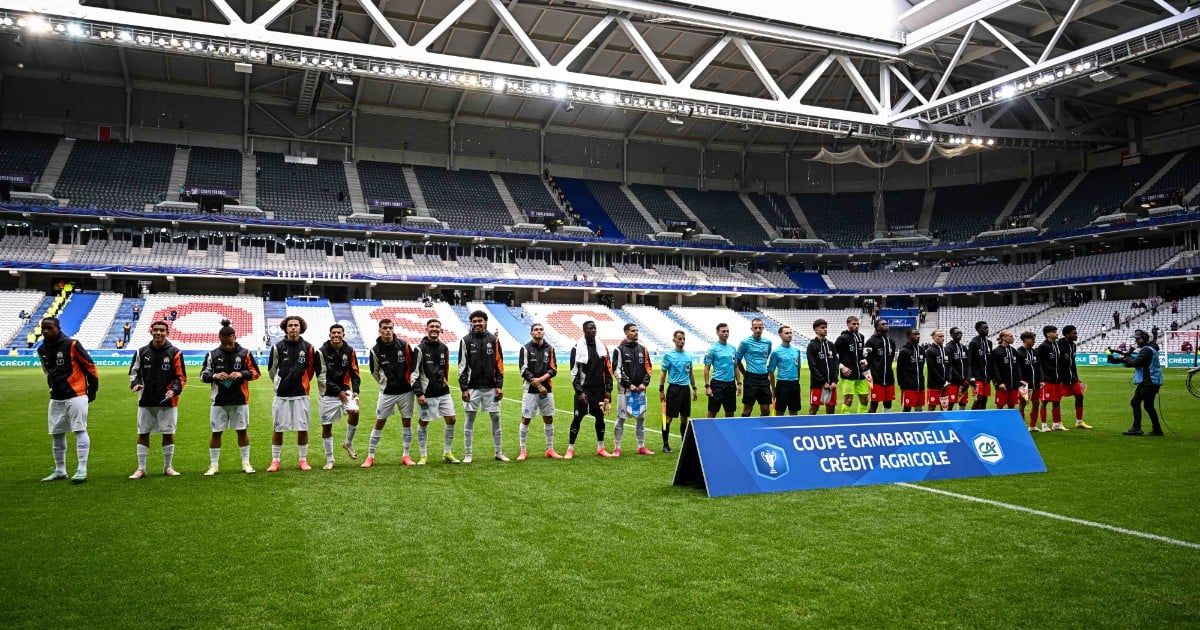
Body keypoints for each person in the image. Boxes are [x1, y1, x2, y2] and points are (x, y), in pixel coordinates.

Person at [36, 317, 98, 483]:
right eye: (43, 328)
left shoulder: (72, 345)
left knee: (79, 430)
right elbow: (46, 371)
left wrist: (92, 390)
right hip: (56, 396)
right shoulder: (42, 349)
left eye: (49, 328)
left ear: (58, 328)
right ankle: (60, 470)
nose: (46, 331)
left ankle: (81, 469)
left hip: (76, 394)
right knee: (56, 433)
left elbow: (90, 367)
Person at [200, 319, 260, 476]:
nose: (227, 345)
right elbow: (202, 375)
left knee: (242, 431)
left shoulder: (245, 353)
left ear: (234, 337)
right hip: (218, 401)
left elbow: (255, 373)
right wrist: (214, 375)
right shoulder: (212, 354)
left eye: (229, 342)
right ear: (219, 338)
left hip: (239, 399)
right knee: (216, 432)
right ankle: (213, 466)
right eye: (224, 342)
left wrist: (241, 374)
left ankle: (246, 463)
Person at [128, 320, 187, 479]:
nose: (159, 333)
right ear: (151, 331)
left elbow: (180, 377)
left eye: (162, 330)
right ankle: (141, 468)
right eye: (156, 330)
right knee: (143, 433)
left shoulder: (175, 352)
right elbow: (134, 374)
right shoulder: (141, 352)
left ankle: (168, 467)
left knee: (168, 433)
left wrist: (174, 390)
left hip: (167, 401)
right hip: (146, 400)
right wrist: (135, 384)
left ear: (167, 333)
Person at [361, 319, 418, 468]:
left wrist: (409, 381)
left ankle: (406, 455)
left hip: (406, 391)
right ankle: (370, 456)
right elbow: (374, 371)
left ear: (393, 329)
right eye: (385, 328)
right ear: (379, 330)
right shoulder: (375, 350)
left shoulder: (404, 345)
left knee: (406, 421)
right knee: (380, 421)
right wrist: (384, 383)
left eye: (390, 328)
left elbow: (412, 364)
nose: (387, 330)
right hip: (387, 393)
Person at [266, 315, 317, 472]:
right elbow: (272, 369)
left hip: (301, 394)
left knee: (302, 427)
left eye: (296, 325)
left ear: (301, 328)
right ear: (285, 328)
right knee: (278, 427)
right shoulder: (277, 347)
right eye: (290, 325)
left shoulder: (308, 347)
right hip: (282, 395)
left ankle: (303, 459)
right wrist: (279, 383)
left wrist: (304, 383)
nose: (293, 328)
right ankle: (275, 461)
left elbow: (310, 369)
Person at [459, 310, 506, 463]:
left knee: (496, 417)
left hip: (491, 387)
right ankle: (468, 454)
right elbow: (462, 366)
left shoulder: (494, 339)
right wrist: (464, 388)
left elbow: (499, 364)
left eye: (480, 321)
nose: (477, 323)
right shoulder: (465, 340)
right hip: (472, 387)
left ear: (485, 322)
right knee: (470, 418)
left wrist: (499, 385)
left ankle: (498, 452)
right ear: (471, 323)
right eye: (475, 321)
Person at [316, 323, 362, 469]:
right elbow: (321, 377)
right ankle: (330, 459)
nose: (336, 335)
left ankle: (348, 443)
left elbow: (354, 371)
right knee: (327, 427)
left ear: (343, 335)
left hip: (345, 389)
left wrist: (356, 391)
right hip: (327, 393)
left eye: (339, 333)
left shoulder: (349, 350)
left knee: (354, 412)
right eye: (334, 333)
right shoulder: (321, 351)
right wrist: (337, 392)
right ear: (330, 335)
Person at [414, 319, 459, 464]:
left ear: (440, 329)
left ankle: (447, 452)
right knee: (424, 422)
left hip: (443, 391)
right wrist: (419, 393)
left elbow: (445, 368)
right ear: (426, 329)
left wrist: (445, 381)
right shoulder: (419, 349)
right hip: (427, 393)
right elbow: (414, 374)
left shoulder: (444, 348)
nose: (434, 329)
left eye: (437, 327)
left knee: (451, 418)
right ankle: (423, 455)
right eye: (432, 326)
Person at [568, 321, 613, 458]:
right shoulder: (577, 348)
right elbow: (574, 373)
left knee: (600, 418)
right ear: (584, 330)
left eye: (594, 328)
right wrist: (579, 391)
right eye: (590, 328)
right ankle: (570, 448)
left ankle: (601, 448)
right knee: (577, 418)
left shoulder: (602, 348)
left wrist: (608, 390)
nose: (593, 330)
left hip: (599, 390)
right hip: (584, 390)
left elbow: (608, 370)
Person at [518, 323, 562, 460]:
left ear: (544, 332)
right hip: (530, 390)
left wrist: (541, 380)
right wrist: (537, 385)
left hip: (547, 390)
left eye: (541, 329)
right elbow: (523, 369)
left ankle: (550, 449)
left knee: (548, 418)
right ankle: (523, 450)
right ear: (531, 333)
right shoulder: (525, 348)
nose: (539, 331)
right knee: (526, 419)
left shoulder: (550, 348)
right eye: (536, 330)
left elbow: (553, 369)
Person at [1109, 329, 1163, 436]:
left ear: (1144, 338)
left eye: (1138, 339)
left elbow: (1136, 362)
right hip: (1148, 381)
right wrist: (1123, 360)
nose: (1136, 341)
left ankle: (1141, 428)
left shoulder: (1146, 350)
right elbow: (1138, 362)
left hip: (1149, 382)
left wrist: (1123, 359)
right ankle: (1150, 429)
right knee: (1139, 403)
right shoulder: (1149, 348)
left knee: (1144, 405)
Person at [612, 323, 655, 456]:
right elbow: (616, 370)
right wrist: (628, 384)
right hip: (625, 391)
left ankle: (641, 446)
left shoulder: (643, 349)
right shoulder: (619, 350)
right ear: (626, 332)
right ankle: (617, 447)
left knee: (641, 419)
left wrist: (644, 384)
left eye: (637, 330)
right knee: (621, 418)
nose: (636, 333)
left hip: (640, 391)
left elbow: (648, 368)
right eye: (633, 331)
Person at [659, 330, 697, 449]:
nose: (682, 341)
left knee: (685, 417)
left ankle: (683, 443)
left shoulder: (688, 355)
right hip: (674, 389)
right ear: (674, 340)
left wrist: (694, 388)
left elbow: (690, 373)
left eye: (683, 339)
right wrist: (661, 390)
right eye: (679, 339)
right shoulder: (669, 355)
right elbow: (663, 373)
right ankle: (665, 444)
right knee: (668, 417)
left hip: (685, 389)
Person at [734, 318, 773, 417]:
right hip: (751, 377)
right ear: (751, 328)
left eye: (760, 328)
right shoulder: (745, 342)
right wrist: (745, 374)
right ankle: (744, 430)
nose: (758, 330)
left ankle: (762, 431)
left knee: (766, 409)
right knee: (748, 409)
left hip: (764, 378)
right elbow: (737, 359)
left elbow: (766, 357)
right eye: (755, 328)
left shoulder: (768, 343)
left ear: (763, 328)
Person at [703, 323, 741, 419]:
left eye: (727, 331)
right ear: (717, 333)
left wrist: (739, 383)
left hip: (731, 385)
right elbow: (706, 369)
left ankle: (728, 433)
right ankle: (708, 433)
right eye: (723, 331)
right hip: (717, 384)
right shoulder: (712, 349)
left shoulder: (732, 348)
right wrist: (707, 386)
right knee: (712, 412)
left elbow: (735, 366)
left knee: (730, 413)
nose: (726, 333)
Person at [1058, 325, 1092, 430]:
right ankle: (1057, 423)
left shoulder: (1073, 345)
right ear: (1067, 334)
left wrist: (1076, 376)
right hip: (1061, 378)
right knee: (1056, 400)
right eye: (1074, 333)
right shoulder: (1058, 345)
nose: (1076, 335)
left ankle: (1079, 422)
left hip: (1072, 378)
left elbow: (1072, 363)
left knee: (1079, 396)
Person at [834, 316, 870, 414]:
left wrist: (864, 363)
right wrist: (842, 367)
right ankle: (845, 421)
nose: (856, 326)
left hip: (861, 374)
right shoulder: (842, 338)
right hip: (848, 375)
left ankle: (861, 420)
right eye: (853, 324)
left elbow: (860, 355)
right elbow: (832, 355)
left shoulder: (861, 337)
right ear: (848, 324)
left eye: (857, 324)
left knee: (865, 399)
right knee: (848, 400)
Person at [1036, 325, 1067, 432]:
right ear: (1048, 334)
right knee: (1044, 402)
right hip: (1047, 379)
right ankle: (1044, 425)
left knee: (1057, 401)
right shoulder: (1043, 346)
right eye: (1054, 332)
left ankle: (1056, 423)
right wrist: (1041, 378)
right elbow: (1038, 363)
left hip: (1057, 379)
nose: (1056, 333)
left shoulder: (1056, 345)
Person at [806, 319, 838, 415]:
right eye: (822, 327)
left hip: (831, 385)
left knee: (831, 409)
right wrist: (823, 382)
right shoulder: (812, 345)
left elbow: (836, 364)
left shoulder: (831, 345)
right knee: (813, 409)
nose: (825, 329)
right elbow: (812, 366)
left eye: (826, 327)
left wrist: (834, 381)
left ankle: (831, 429)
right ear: (816, 330)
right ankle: (810, 429)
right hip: (818, 384)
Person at [767, 326, 801, 415]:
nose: (789, 335)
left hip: (794, 384)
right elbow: (771, 371)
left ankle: (793, 428)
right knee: (779, 412)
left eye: (790, 333)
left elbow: (798, 367)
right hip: (782, 385)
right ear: (780, 335)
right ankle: (779, 429)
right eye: (786, 333)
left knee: (794, 412)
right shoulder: (776, 352)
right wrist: (773, 389)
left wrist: (797, 382)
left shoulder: (796, 351)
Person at [865, 319, 896, 413]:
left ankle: (887, 423)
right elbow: (865, 359)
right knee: (874, 403)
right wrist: (868, 375)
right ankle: (869, 424)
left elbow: (891, 358)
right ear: (877, 327)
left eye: (887, 324)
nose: (886, 325)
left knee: (888, 403)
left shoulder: (891, 342)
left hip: (889, 378)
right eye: (883, 324)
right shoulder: (871, 341)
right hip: (876, 378)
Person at [1015, 331, 1041, 431]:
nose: (1034, 341)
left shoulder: (1035, 352)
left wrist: (1041, 379)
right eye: (1032, 339)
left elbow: (1039, 367)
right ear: (1025, 340)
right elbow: (1018, 368)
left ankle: (1032, 425)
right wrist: (1021, 380)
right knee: (1022, 403)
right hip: (1024, 384)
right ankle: (1021, 425)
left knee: (1036, 403)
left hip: (1036, 382)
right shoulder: (1019, 352)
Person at [989, 330, 1020, 410]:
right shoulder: (996, 351)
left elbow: (1017, 367)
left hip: (1014, 384)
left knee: (1012, 406)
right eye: (1010, 336)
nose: (1012, 338)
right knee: (1000, 405)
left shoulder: (1014, 351)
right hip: (1003, 384)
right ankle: (998, 422)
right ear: (1003, 337)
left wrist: (1019, 380)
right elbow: (995, 368)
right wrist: (999, 382)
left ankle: (1008, 422)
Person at [896, 329, 924, 412]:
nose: (918, 336)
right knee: (907, 408)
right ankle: (904, 424)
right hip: (908, 386)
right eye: (915, 334)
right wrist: (901, 384)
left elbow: (921, 368)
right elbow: (899, 369)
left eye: (918, 334)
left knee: (919, 409)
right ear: (908, 337)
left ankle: (919, 424)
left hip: (920, 385)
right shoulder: (904, 351)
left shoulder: (922, 350)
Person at [967, 321, 993, 410]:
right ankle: (972, 420)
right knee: (978, 398)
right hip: (977, 377)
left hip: (986, 377)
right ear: (978, 329)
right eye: (984, 328)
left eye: (987, 327)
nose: (987, 329)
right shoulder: (974, 342)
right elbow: (969, 360)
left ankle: (982, 419)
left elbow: (989, 360)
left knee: (985, 399)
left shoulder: (989, 343)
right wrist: (970, 376)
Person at [945, 327, 970, 410]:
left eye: (960, 333)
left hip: (964, 382)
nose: (959, 335)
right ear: (951, 335)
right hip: (953, 382)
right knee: (950, 403)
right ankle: (948, 421)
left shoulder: (964, 348)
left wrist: (967, 379)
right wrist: (961, 380)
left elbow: (968, 364)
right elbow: (950, 366)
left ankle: (961, 421)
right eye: (956, 333)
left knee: (963, 403)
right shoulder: (948, 348)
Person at [926, 330, 951, 411]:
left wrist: (948, 380)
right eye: (939, 336)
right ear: (933, 338)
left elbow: (949, 366)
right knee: (931, 407)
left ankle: (944, 424)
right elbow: (932, 369)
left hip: (945, 385)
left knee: (944, 408)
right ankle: (929, 423)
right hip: (934, 385)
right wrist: (942, 382)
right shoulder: (930, 351)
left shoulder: (946, 350)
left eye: (943, 336)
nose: (942, 338)